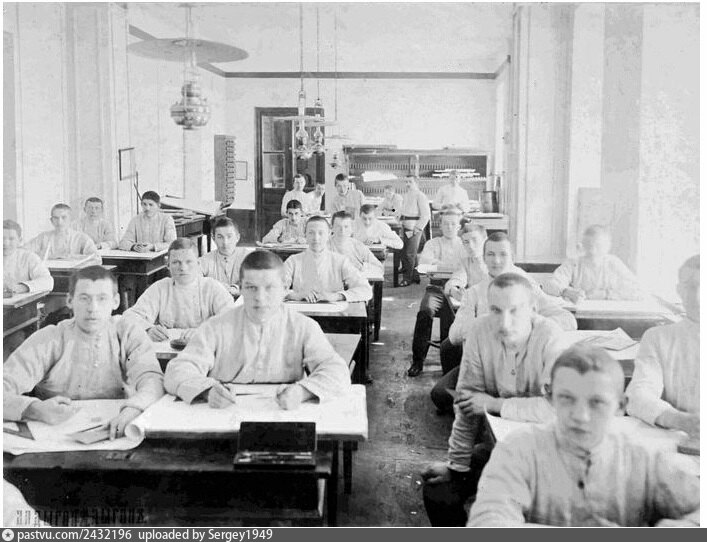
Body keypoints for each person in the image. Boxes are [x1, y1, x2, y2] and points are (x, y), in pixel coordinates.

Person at [467, 344, 700, 527]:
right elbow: (487, 522)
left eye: (596, 402)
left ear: (620, 406)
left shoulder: (644, 457)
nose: (580, 416)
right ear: (550, 399)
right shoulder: (519, 449)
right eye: (567, 398)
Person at [421, 273, 570, 526]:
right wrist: (456, 466)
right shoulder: (480, 331)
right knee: (439, 491)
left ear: (533, 309)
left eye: (515, 311)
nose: (504, 323)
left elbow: (557, 409)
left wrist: (494, 405)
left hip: (552, 458)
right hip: (501, 450)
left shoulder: (551, 337)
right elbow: (467, 404)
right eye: (496, 311)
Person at [164, 250, 351, 408]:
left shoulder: (303, 327)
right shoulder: (216, 327)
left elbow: (337, 371)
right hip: (223, 414)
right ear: (241, 288)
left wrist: (302, 392)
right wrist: (207, 391)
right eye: (251, 287)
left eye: (269, 288)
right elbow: (177, 370)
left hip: (283, 414)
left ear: (284, 288)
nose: (260, 297)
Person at [3, 265, 164, 439]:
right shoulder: (50, 338)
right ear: (69, 301)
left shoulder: (127, 333)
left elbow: (152, 379)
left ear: (115, 301)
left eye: (102, 299)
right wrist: (33, 409)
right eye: (84, 298)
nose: (92, 308)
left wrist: (135, 408)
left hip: (118, 429)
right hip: (54, 435)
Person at [431, 232, 577, 412]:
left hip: (523, 365)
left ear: (512, 257)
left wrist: (528, 327)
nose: (497, 260)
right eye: (491, 254)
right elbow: (454, 336)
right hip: (487, 365)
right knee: (440, 395)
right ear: (484, 258)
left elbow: (567, 319)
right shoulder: (474, 292)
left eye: (503, 254)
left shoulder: (527, 287)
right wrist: (485, 326)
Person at [625, 254, 699, 436]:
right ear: (679, 291)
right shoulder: (658, 338)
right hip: (683, 438)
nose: (698, 297)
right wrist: (681, 420)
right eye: (691, 287)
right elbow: (638, 395)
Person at [123, 238, 233, 343]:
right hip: (167, 349)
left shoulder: (212, 287)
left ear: (198, 263)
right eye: (176, 262)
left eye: (189, 262)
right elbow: (129, 317)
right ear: (168, 264)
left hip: (204, 347)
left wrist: (205, 332)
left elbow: (232, 319)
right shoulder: (160, 288)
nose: (183, 268)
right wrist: (148, 329)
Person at [407, 206, 466, 377]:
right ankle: (418, 361)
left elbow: (465, 267)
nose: (449, 227)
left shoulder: (463, 245)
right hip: (436, 289)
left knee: (453, 319)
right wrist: (450, 267)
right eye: (445, 224)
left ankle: (451, 365)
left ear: (459, 226)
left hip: (458, 288)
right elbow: (424, 264)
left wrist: (438, 265)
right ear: (440, 225)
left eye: (453, 224)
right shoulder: (432, 243)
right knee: (425, 312)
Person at [543, 225, 643, 302]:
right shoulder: (573, 263)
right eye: (589, 246)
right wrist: (566, 291)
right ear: (583, 245)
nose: (593, 251)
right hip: (581, 312)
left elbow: (637, 290)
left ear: (607, 246)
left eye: (598, 246)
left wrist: (605, 294)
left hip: (609, 312)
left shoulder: (613, 263)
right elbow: (550, 285)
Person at [283, 216, 372, 303]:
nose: (316, 238)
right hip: (299, 311)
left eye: (321, 233)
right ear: (304, 234)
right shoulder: (293, 261)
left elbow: (366, 290)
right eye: (311, 233)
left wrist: (337, 296)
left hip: (334, 312)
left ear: (329, 233)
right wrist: (296, 295)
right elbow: (275, 288)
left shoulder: (341, 261)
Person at [24, 203, 99, 261]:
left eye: (64, 217)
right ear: (51, 220)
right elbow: (23, 251)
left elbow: (96, 258)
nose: (59, 222)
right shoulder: (44, 237)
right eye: (56, 218)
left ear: (71, 219)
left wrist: (69, 257)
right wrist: (46, 255)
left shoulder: (82, 238)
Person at [199, 217, 252, 299]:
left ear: (237, 237)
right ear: (213, 238)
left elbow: (255, 280)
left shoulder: (248, 257)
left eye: (229, 236)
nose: (225, 242)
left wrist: (236, 288)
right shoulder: (206, 259)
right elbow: (194, 278)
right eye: (220, 237)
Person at [3, 219, 54, 295]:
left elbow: (48, 282)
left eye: (11, 239)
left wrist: (21, 287)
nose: (5, 243)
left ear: (19, 240)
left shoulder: (29, 257)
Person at [398, 176, 431, 287]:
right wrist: (391, 210)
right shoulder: (406, 195)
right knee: (407, 253)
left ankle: (407, 279)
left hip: (414, 228)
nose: (407, 184)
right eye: (406, 182)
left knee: (409, 254)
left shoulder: (420, 196)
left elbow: (426, 215)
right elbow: (399, 210)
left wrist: (418, 229)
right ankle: (415, 276)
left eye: (410, 182)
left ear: (416, 183)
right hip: (405, 226)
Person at [329, 211, 384, 275]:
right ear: (332, 228)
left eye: (346, 227)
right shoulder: (323, 246)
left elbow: (379, 268)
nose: (342, 231)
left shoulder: (358, 246)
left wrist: (362, 267)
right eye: (338, 226)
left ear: (352, 229)